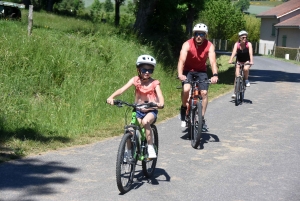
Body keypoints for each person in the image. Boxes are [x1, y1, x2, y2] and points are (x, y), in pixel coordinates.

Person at [107, 55, 164, 158]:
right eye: (144, 69)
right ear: (138, 69)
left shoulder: (155, 83)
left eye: (150, 70)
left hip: (151, 110)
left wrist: (160, 103)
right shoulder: (135, 80)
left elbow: (160, 95)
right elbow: (121, 90)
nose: (147, 72)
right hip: (138, 110)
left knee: (146, 122)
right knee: (129, 130)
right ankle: (129, 152)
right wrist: (111, 97)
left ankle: (150, 147)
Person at [177, 23, 219, 128]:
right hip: (188, 70)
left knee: (204, 93)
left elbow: (213, 62)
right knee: (186, 89)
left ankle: (201, 118)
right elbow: (181, 60)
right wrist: (180, 74)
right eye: (196, 34)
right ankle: (183, 109)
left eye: (201, 34)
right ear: (194, 34)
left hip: (201, 71)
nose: (199, 36)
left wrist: (215, 75)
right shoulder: (187, 44)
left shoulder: (209, 45)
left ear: (205, 35)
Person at [228, 30, 254, 99]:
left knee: (245, 69)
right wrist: (230, 59)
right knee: (237, 77)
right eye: (243, 37)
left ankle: (246, 79)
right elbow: (234, 53)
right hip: (239, 61)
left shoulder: (249, 44)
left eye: (246, 37)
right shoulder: (237, 44)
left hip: (246, 61)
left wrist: (251, 61)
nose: (244, 39)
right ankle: (234, 92)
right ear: (240, 38)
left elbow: (251, 53)